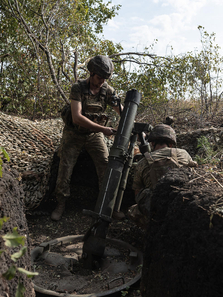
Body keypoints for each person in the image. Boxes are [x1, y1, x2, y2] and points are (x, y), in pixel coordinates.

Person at [51, 55, 123, 221]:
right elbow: (76, 117)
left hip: (94, 135)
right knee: (65, 166)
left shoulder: (107, 90)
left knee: (106, 164)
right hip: (74, 133)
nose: (101, 82)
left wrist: (127, 121)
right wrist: (103, 129)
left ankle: (107, 205)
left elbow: (121, 110)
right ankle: (60, 203)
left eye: (105, 79)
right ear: (91, 73)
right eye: (99, 78)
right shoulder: (78, 88)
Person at [129, 124, 198, 227]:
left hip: (156, 212)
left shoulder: (142, 162)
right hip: (182, 206)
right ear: (171, 143)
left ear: (152, 143)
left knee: (132, 211)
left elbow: (137, 192)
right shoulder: (183, 153)